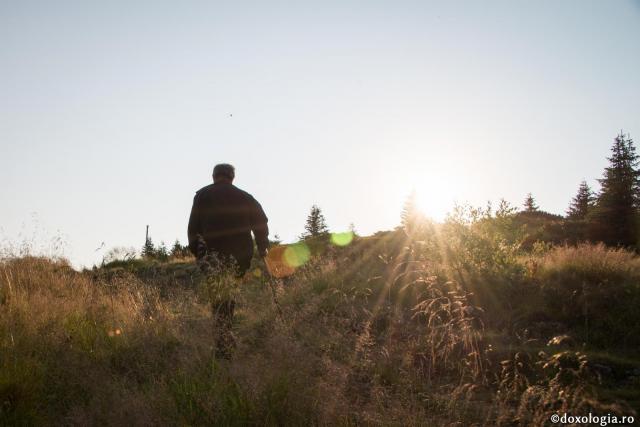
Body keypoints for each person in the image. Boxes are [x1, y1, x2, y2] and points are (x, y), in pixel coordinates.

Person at [187, 163, 269, 357]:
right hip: (240, 256)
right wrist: (262, 246)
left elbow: (193, 227)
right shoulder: (245, 197)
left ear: (214, 176)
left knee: (219, 297)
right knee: (228, 295)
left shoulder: (202, 195)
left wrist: (198, 253)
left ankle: (223, 345)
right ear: (232, 177)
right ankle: (225, 341)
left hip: (212, 256)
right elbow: (261, 222)